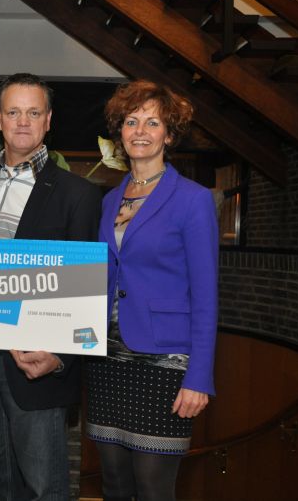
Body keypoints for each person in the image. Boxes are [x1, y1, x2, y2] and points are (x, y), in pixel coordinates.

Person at [0, 73, 101, 500]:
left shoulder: (78, 194)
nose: (22, 121)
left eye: (33, 112)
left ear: (48, 120)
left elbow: (87, 288)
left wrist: (60, 357)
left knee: (45, 488)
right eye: (13, 112)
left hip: (36, 365)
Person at [86, 79, 218, 501]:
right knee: (113, 484)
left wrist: (199, 377)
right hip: (107, 359)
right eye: (131, 121)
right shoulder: (110, 200)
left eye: (152, 122)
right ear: (119, 132)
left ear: (169, 135)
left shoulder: (193, 199)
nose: (140, 130)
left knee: (153, 488)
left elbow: (206, 295)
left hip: (165, 363)